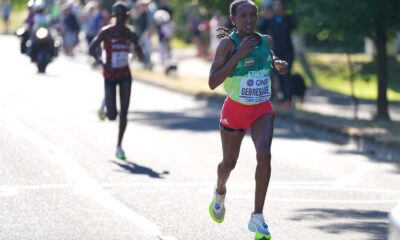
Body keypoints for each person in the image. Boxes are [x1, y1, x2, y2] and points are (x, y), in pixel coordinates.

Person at [208, 0, 288, 239]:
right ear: (233, 19)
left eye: (253, 15)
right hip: (235, 110)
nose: (248, 20)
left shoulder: (266, 40)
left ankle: (257, 216)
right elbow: (213, 82)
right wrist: (239, 54)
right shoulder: (226, 44)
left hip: (261, 108)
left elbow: (268, 58)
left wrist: (277, 64)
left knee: (264, 154)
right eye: (242, 16)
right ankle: (220, 191)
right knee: (228, 164)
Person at [89, 1, 144, 161]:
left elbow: (139, 51)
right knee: (112, 115)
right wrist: (101, 61)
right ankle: (105, 103)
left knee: (124, 113)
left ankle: (119, 146)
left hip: (125, 75)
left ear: (126, 17)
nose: (120, 19)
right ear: (113, 17)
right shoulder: (106, 32)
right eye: (117, 15)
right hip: (110, 75)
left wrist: (140, 54)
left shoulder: (130, 34)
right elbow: (92, 48)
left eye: (123, 15)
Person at [258, 0, 295, 108]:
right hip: (274, 52)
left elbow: (293, 25)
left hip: (288, 52)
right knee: (273, 76)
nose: (278, 8)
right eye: (276, 6)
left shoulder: (287, 18)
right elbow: (261, 28)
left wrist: (284, 15)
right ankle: (273, 98)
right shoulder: (270, 19)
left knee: (286, 75)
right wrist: (266, 16)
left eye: (279, 5)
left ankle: (287, 99)